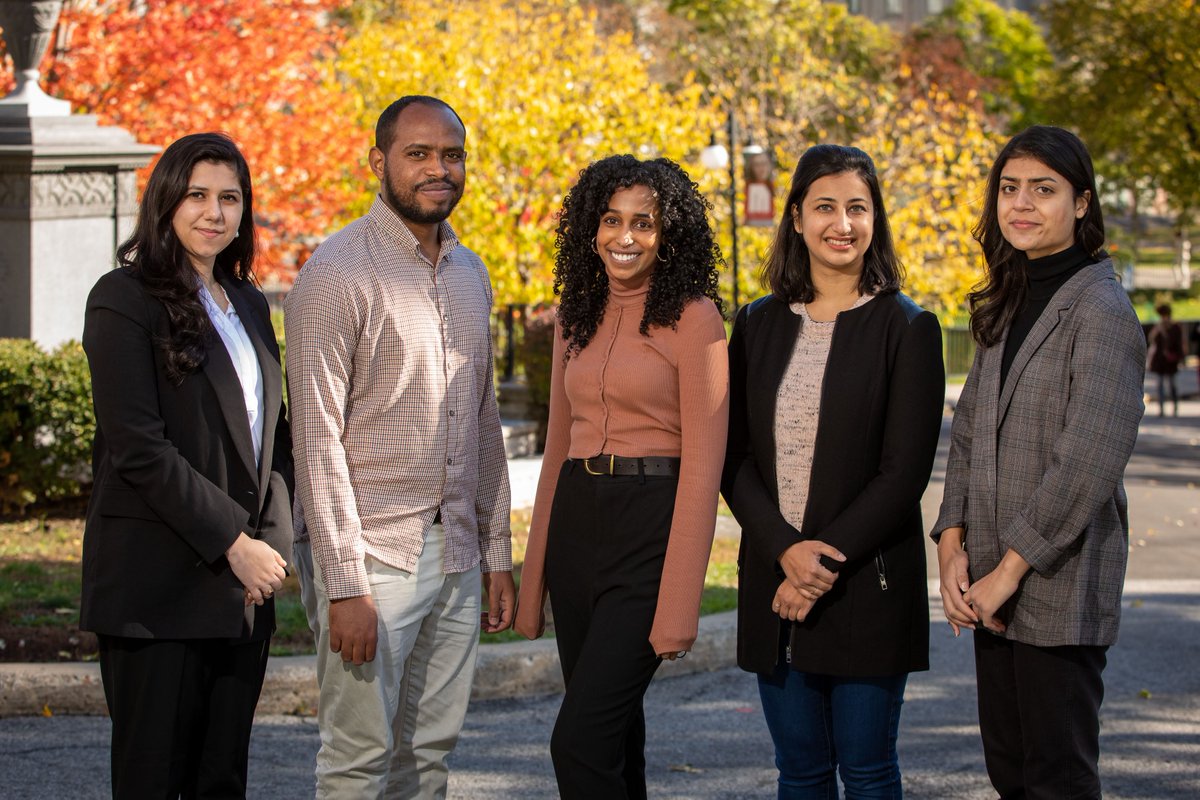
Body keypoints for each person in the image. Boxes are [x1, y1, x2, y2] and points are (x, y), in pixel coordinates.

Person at [285, 95, 515, 799]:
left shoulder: (471, 273)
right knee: (358, 760)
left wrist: (496, 552)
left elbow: (483, 421)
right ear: (378, 162)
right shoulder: (335, 274)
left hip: (456, 555)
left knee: (429, 756)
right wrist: (346, 583)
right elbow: (315, 440)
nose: (437, 169)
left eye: (451, 155)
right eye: (418, 154)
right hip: (374, 558)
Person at [722, 144, 944, 798]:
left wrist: (817, 567)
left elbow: (904, 473)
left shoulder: (908, 328)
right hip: (774, 583)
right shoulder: (757, 325)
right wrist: (786, 551)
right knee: (801, 772)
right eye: (825, 207)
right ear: (795, 218)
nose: (841, 223)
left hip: (867, 586)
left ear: (876, 219)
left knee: (868, 770)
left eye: (857, 207)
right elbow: (732, 456)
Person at [932, 126, 1146, 799]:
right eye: (1009, 188)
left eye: (1043, 190)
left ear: (1081, 203)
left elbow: (1087, 463)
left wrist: (1006, 574)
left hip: (1058, 582)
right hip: (988, 576)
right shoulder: (1007, 298)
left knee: (1057, 778)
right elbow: (966, 434)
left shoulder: (1102, 308)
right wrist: (950, 543)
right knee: (1012, 773)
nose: (1021, 204)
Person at [81, 132, 292, 799]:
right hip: (159, 586)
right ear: (166, 201)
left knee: (221, 780)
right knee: (153, 781)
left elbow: (273, 439)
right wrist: (235, 544)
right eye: (197, 194)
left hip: (243, 592)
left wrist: (272, 549)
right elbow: (138, 448)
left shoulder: (249, 302)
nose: (214, 212)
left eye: (230, 198)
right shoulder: (123, 299)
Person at [514, 155, 729, 799]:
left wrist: (680, 606)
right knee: (612, 742)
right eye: (611, 220)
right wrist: (535, 581)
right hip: (579, 526)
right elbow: (557, 446)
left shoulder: (695, 320)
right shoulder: (573, 318)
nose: (625, 236)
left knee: (576, 741)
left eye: (644, 222)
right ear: (590, 226)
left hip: (650, 530)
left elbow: (705, 467)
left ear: (672, 235)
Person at [1147, 303, 1184, 417]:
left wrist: (1180, 357)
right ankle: (1162, 409)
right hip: (1160, 360)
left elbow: (1179, 343)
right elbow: (1151, 339)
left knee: (1172, 385)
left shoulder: (1175, 326)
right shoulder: (1158, 326)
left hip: (1170, 360)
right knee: (1160, 384)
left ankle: (1175, 407)